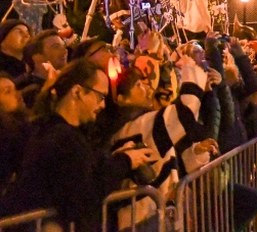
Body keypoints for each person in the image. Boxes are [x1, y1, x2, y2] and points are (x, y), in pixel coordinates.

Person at [0, 58, 158, 229]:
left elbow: (83, 173)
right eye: (100, 96)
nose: (103, 105)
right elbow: (85, 195)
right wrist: (125, 161)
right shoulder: (62, 138)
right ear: (77, 92)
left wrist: (118, 157)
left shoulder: (53, 130)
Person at [17, 27, 67, 108]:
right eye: (56, 47)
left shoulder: (66, 83)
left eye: (63, 46)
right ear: (37, 57)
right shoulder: (26, 89)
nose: (65, 51)